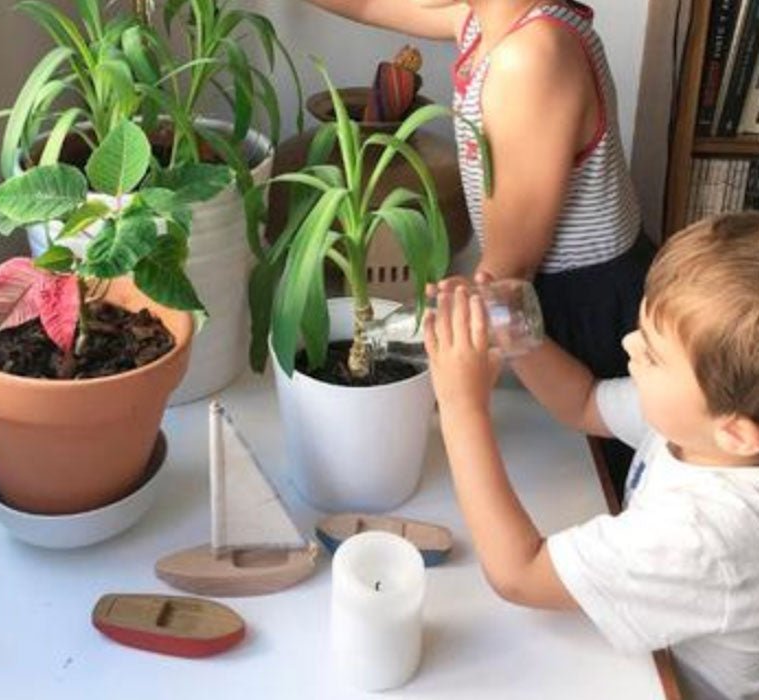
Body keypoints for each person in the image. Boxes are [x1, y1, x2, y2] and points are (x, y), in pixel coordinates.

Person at [298, 0, 653, 498]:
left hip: (581, 312)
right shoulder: (482, 19)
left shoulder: (530, 56)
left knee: (586, 491)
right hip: (539, 294)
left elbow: (512, 266)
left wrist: (449, 395)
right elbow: (367, 4)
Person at [423, 211, 759, 700]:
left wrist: (460, 405)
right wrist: (507, 326)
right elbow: (582, 401)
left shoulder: (707, 533)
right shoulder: (700, 427)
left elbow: (519, 575)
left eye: (653, 354)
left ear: (736, 434)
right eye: (642, 329)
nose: (628, 345)